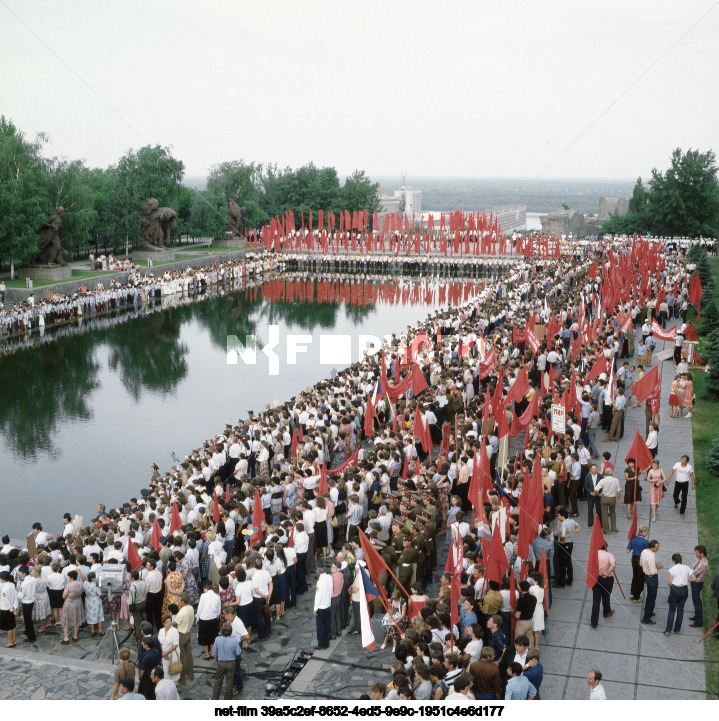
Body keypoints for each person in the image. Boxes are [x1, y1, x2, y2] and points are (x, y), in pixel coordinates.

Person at [664, 553, 694, 636]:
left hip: (675, 589)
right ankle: (677, 629)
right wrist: (686, 580)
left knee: (671, 610)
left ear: (674, 561)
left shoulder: (673, 569)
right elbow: (694, 578)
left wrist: (672, 587)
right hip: (684, 590)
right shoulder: (687, 568)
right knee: (680, 610)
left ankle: (668, 630)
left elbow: (669, 583)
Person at [212, 622, 242, 700]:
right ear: (231, 631)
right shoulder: (234, 640)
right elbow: (238, 653)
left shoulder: (217, 639)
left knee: (218, 681)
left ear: (222, 630)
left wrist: (216, 657)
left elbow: (214, 652)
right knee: (229, 683)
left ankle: (214, 699)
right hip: (231, 663)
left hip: (221, 663)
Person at [590, 544, 615, 628]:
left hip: (596, 578)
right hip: (607, 578)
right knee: (606, 596)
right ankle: (607, 611)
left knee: (596, 601)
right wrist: (607, 572)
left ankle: (594, 622)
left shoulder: (594, 554)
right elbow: (613, 564)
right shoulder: (609, 555)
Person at [553, 508, 580, 587]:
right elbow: (579, 527)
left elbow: (563, 534)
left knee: (562, 563)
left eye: (559, 515)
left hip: (564, 544)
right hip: (570, 543)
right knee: (568, 562)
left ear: (562, 515)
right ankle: (569, 579)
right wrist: (572, 533)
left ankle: (561, 582)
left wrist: (561, 539)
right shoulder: (571, 521)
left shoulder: (564, 524)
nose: (558, 517)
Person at [197, 580, 221, 659]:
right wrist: (216, 617)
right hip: (213, 619)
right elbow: (219, 610)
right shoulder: (217, 596)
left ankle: (207, 654)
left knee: (204, 637)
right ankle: (212, 653)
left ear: (205, 588)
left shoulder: (203, 596)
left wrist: (197, 618)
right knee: (213, 636)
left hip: (204, 619)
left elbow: (200, 609)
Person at [640, 540, 663, 625]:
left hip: (646, 575)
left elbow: (641, 563)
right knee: (652, 598)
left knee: (649, 596)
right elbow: (653, 571)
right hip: (652, 577)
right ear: (652, 547)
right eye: (657, 547)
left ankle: (648, 611)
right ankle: (646, 618)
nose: (658, 549)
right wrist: (659, 566)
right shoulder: (651, 556)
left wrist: (652, 564)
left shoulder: (644, 551)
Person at [175, 593, 195, 686]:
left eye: (179, 600)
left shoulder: (182, 611)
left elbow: (175, 622)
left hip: (181, 635)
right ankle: (190, 675)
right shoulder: (190, 608)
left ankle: (182, 680)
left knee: (182, 658)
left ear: (182, 602)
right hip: (188, 633)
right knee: (189, 655)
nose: (178, 601)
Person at [626, 525, 650, 603]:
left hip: (634, 558)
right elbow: (648, 553)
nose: (647, 533)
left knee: (635, 576)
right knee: (641, 579)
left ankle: (632, 593)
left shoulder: (633, 539)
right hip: (641, 560)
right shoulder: (645, 542)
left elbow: (627, 550)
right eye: (646, 531)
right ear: (643, 532)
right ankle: (636, 597)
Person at [60, 570, 84, 644]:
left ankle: (66, 638)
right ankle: (75, 636)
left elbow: (64, 596)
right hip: (78, 602)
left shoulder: (68, 585)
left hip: (69, 603)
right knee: (77, 618)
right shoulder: (81, 583)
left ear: (70, 577)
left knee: (66, 619)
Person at [594, 469, 620, 534]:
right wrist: (618, 499)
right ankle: (613, 529)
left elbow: (595, 490)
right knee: (613, 513)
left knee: (604, 514)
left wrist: (599, 495)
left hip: (604, 498)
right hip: (612, 498)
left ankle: (606, 531)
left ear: (604, 473)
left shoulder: (602, 480)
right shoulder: (616, 480)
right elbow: (618, 491)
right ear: (612, 473)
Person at [314, 563, 333, 650]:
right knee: (327, 624)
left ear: (318, 571)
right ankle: (327, 641)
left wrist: (315, 608)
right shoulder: (329, 577)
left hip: (321, 606)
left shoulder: (320, 582)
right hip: (328, 604)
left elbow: (318, 597)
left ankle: (321, 643)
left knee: (321, 625)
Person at [158, 612, 181, 684]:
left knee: (173, 673)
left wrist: (166, 653)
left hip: (172, 654)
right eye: (167, 622)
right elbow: (161, 643)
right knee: (166, 672)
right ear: (163, 623)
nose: (169, 623)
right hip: (164, 655)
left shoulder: (174, 631)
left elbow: (175, 645)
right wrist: (163, 653)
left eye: (170, 621)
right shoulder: (161, 631)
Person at [689, 545, 709, 628]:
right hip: (696, 582)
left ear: (702, 553)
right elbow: (693, 567)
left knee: (697, 602)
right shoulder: (700, 560)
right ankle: (696, 616)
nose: (695, 553)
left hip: (697, 583)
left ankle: (699, 621)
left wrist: (692, 570)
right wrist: (693, 569)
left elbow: (693, 572)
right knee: (695, 600)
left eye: (697, 552)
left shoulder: (703, 564)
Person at [0, 571, 17, 648]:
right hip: (12, 608)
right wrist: (15, 608)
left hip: (6, 609)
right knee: (13, 625)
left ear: (2, 579)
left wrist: (11, 609)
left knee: (8, 627)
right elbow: (15, 596)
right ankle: (14, 640)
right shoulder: (12, 585)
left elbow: (6, 600)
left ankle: (10, 642)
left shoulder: (4, 589)